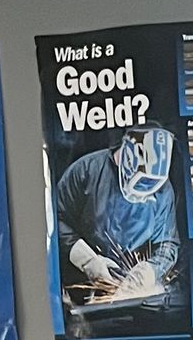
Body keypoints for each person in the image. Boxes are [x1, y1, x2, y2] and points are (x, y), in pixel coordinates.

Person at [54, 127, 181, 312]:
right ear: (127, 157)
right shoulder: (86, 171)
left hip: (131, 296)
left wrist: (150, 270)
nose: (143, 197)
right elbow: (53, 221)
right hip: (77, 290)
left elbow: (168, 243)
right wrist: (87, 259)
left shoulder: (163, 191)